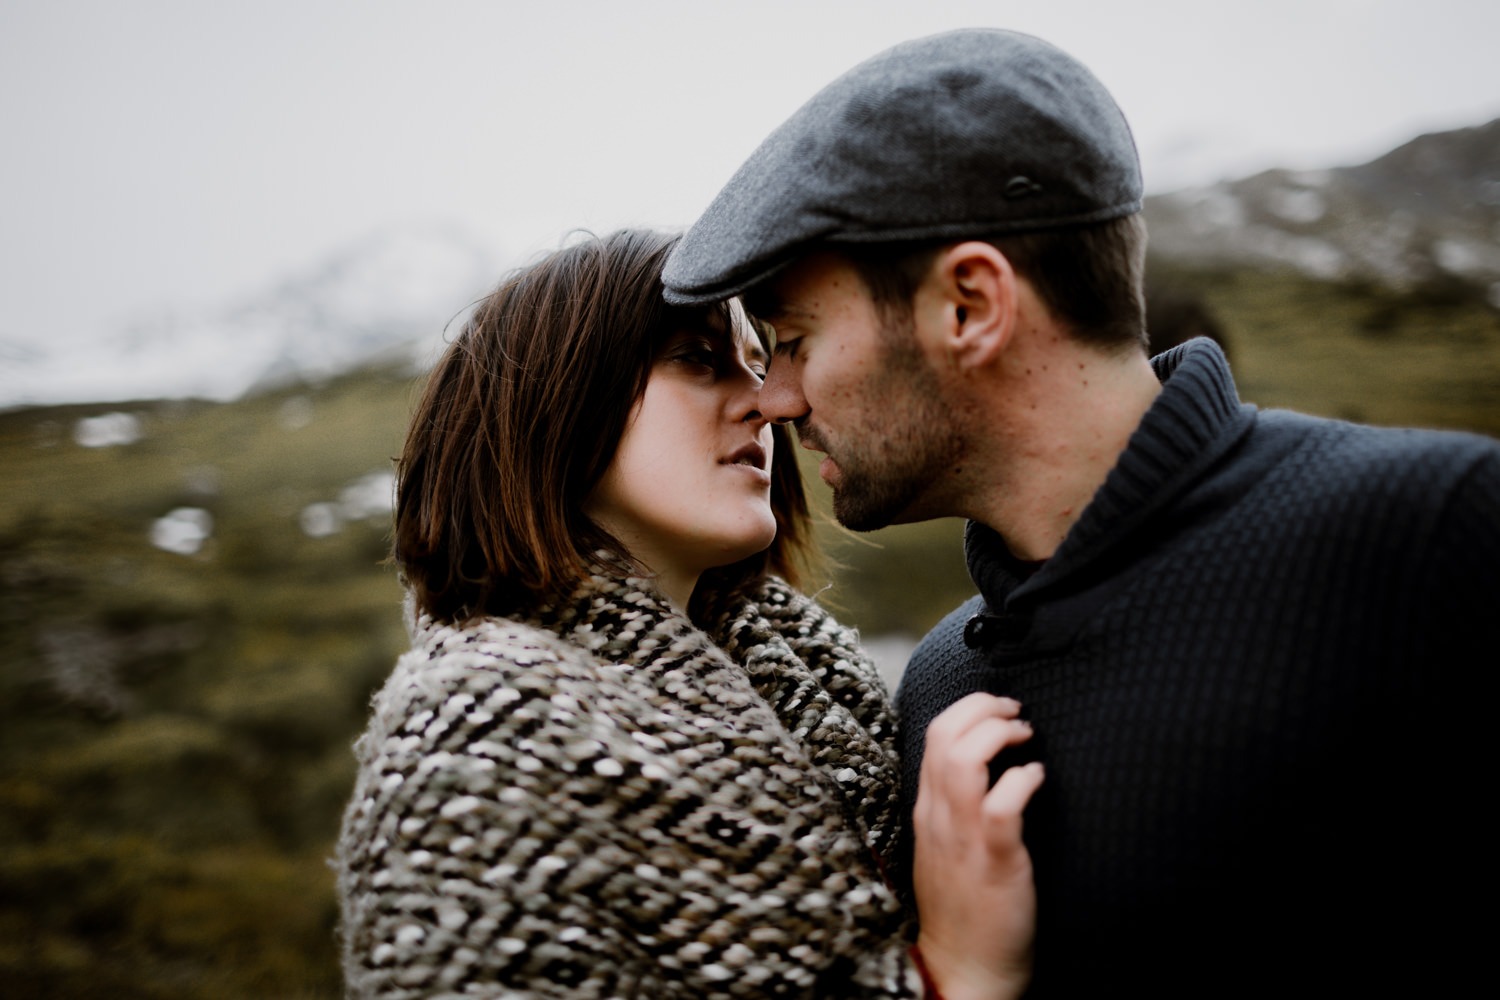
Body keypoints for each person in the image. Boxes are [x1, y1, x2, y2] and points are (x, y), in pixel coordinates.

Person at [661, 28, 1498, 997]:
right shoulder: (940, 687)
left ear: (971, 305)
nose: (776, 397)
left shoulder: (1441, 535)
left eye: (796, 339)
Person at [335, 227, 1046, 999]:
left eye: (761, 359)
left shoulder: (808, 678)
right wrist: (956, 976)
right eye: (699, 360)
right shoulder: (475, 728)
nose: (768, 402)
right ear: (554, 401)